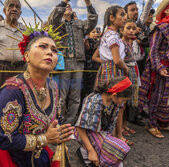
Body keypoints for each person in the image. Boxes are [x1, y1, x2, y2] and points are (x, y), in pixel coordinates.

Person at [0, 26, 74, 167]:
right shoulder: (12, 91)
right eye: (43, 47)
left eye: (54, 50)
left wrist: (58, 133)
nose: (50, 52)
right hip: (4, 154)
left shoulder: (53, 86)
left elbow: (55, 120)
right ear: (26, 56)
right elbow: (6, 140)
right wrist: (45, 138)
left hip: (34, 152)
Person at [48, 0, 98, 125]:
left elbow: (92, 21)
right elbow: (53, 17)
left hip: (78, 62)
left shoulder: (79, 23)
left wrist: (88, 4)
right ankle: (59, 120)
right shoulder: (57, 24)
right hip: (63, 62)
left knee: (75, 94)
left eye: (69, 5)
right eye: (65, 6)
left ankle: (70, 122)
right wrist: (64, 2)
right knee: (62, 94)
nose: (67, 6)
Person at [92, 6, 130, 144]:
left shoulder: (107, 34)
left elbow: (97, 56)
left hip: (107, 69)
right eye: (122, 14)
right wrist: (125, 68)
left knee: (107, 103)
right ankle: (118, 136)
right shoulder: (113, 35)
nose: (125, 17)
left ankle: (108, 135)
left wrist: (106, 65)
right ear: (112, 18)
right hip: (114, 70)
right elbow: (117, 59)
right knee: (117, 103)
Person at [76, 76, 132, 167]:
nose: (124, 102)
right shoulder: (94, 101)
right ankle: (85, 152)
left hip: (102, 134)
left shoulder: (115, 102)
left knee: (118, 152)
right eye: (124, 100)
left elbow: (112, 125)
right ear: (114, 95)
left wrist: (113, 143)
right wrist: (91, 151)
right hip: (87, 133)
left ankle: (92, 151)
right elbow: (80, 128)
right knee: (116, 155)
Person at [139, 0, 169, 138]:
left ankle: (162, 122)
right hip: (160, 67)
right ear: (167, 11)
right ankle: (151, 124)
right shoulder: (160, 28)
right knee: (156, 96)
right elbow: (153, 50)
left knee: (166, 97)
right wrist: (159, 66)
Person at [120, 20, 139, 138]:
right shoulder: (121, 43)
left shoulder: (132, 43)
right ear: (122, 30)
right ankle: (120, 127)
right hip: (125, 73)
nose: (131, 30)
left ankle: (125, 125)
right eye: (128, 28)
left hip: (133, 72)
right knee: (123, 100)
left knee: (129, 101)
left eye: (134, 28)